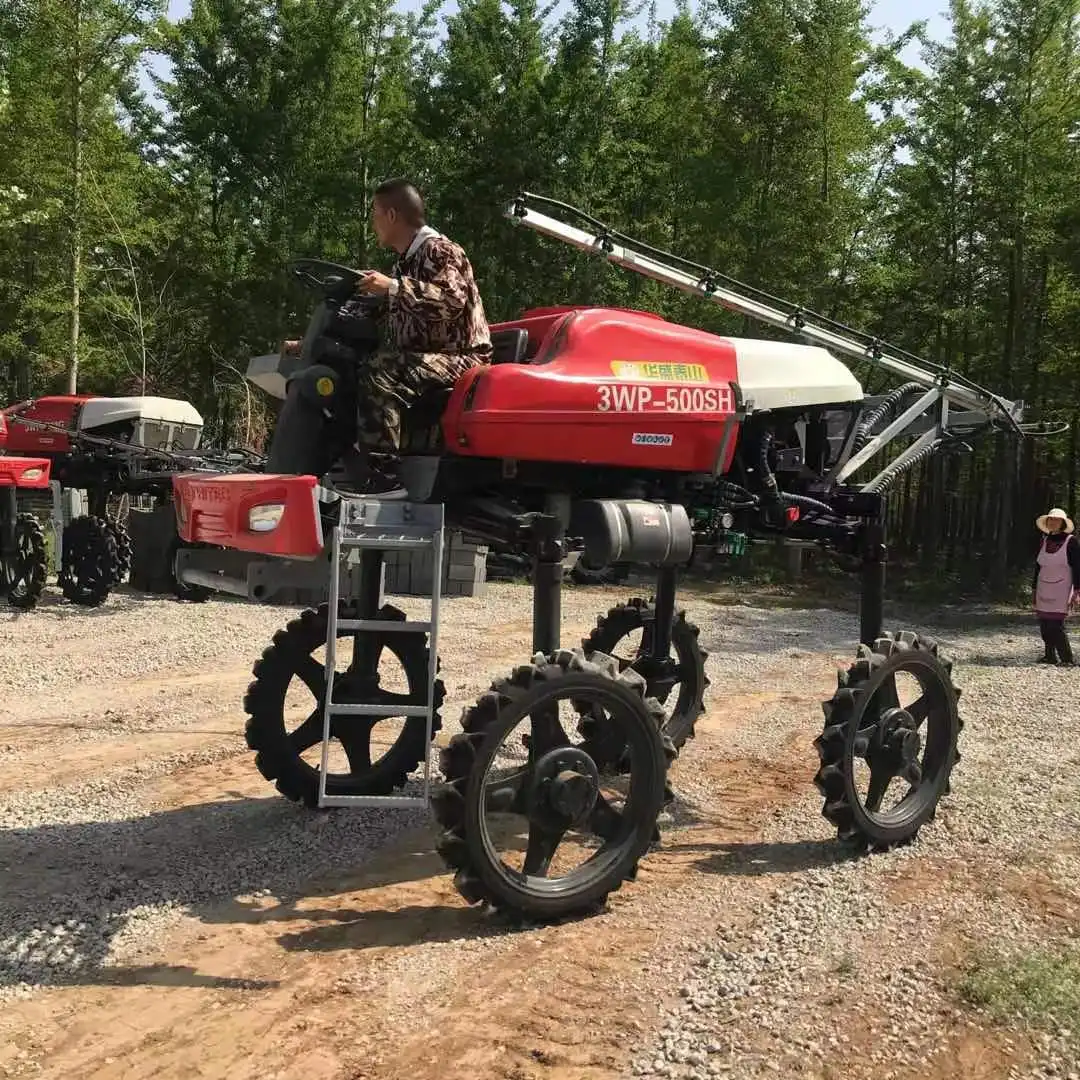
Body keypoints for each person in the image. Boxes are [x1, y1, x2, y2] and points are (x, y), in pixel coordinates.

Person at [269, 178, 491, 495]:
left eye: (375, 213)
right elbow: (376, 316)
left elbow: (451, 302)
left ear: (391, 215)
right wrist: (313, 341)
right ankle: (330, 471)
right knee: (352, 370)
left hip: (462, 359)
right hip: (425, 359)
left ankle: (385, 477)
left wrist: (393, 287)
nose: (373, 222)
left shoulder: (440, 251)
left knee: (381, 371)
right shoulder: (405, 263)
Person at [1032, 507, 1080, 666]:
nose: (1053, 522)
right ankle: (1049, 656)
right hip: (1043, 586)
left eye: (1056, 520)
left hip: (1062, 587)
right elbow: (1038, 567)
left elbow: (1077, 566)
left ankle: (1066, 658)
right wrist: (1033, 588)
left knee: (1056, 624)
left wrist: (1078, 589)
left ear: (1063, 523)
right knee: (1044, 623)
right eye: (1050, 520)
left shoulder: (1071, 541)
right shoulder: (1044, 541)